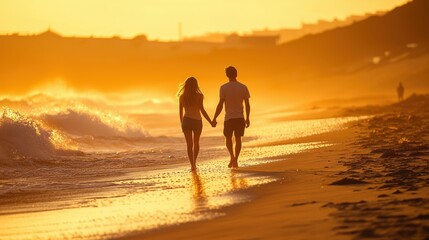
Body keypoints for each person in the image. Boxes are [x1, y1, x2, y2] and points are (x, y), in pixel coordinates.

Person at [212, 66, 250, 168]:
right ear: (236, 74)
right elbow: (247, 104)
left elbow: (220, 104)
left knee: (228, 138)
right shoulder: (243, 87)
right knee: (238, 139)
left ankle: (232, 157)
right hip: (240, 117)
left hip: (228, 118)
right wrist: (248, 118)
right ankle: (235, 159)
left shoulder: (223, 88)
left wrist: (214, 118)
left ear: (227, 75)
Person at [178, 77, 213, 171]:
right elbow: (202, 110)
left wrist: (182, 124)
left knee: (189, 144)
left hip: (186, 121)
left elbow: (180, 112)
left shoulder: (182, 97)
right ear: (196, 85)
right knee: (196, 142)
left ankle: (192, 165)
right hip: (197, 121)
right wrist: (210, 122)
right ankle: (195, 161)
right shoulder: (200, 96)